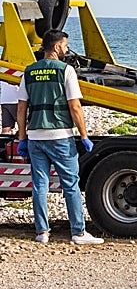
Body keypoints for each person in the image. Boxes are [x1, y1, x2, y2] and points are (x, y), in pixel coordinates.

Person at [15, 30, 104, 244]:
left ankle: (42, 232)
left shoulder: (29, 72)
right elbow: (74, 106)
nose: (66, 49)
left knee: (39, 185)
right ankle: (78, 233)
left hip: (36, 136)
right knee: (70, 184)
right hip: (60, 136)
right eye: (64, 45)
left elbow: (21, 109)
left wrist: (22, 138)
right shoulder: (66, 70)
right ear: (56, 47)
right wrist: (84, 135)